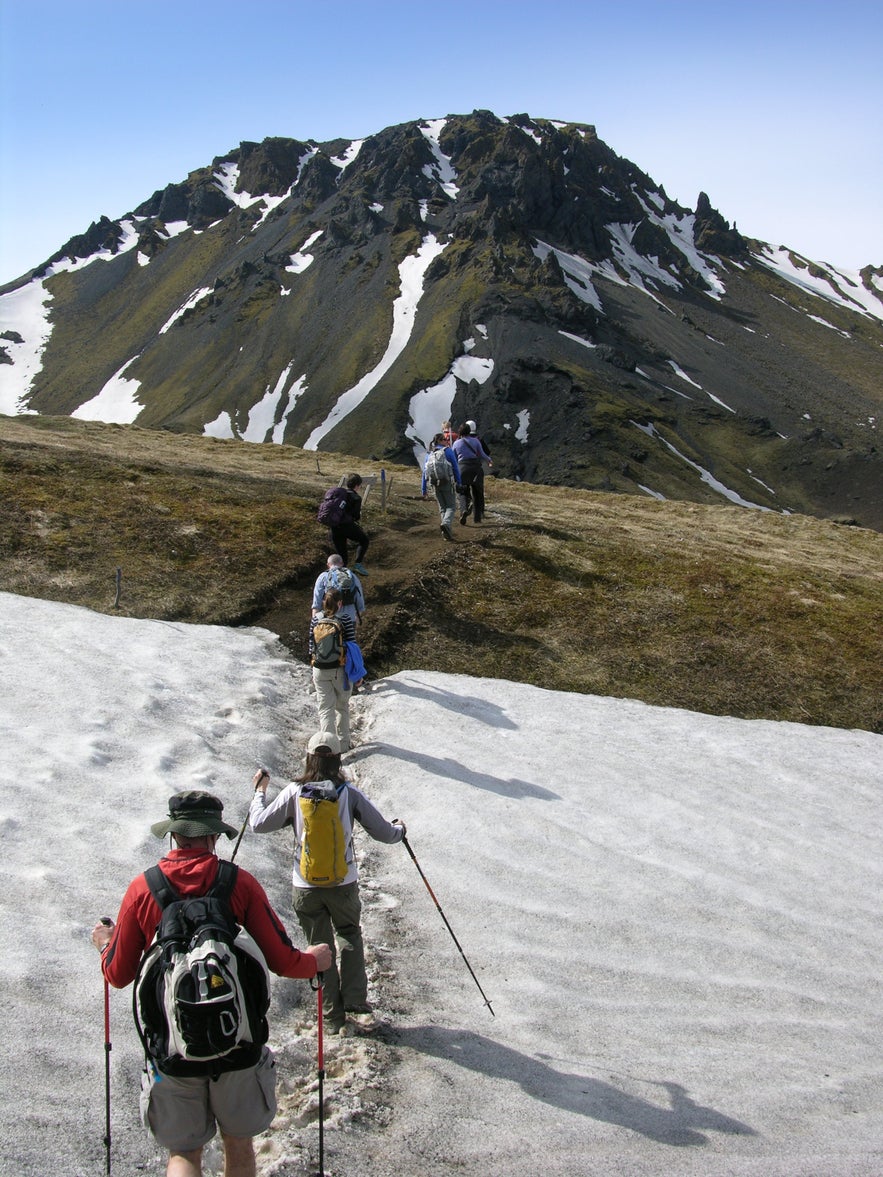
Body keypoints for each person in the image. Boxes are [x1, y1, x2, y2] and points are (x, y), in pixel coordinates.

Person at [90, 790, 332, 1177]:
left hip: (173, 1046)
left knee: (184, 1152)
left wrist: (105, 944)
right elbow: (284, 962)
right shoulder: (239, 884)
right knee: (238, 1142)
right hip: (236, 1039)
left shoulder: (143, 888)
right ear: (213, 836)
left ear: (175, 834)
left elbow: (118, 975)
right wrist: (316, 960)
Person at [250, 733, 406, 1036]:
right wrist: (400, 831)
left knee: (319, 948)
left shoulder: (295, 792)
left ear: (309, 758)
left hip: (305, 885)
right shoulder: (348, 793)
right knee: (349, 936)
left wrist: (259, 792)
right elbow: (383, 832)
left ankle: (332, 1016)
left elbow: (259, 823)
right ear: (337, 759)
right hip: (343, 882)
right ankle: (357, 1007)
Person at [310, 588, 356, 751]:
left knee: (325, 708)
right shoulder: (345, 619)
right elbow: (352, 647)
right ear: (340, 603)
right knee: (341, 707)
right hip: (340, 670)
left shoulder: (316, 619)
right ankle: (343, 745)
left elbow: (311, 646)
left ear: (324, 602)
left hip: (319, 670)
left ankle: (328, 745)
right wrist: (357, 672)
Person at [421, 432, 462, 541]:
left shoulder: (429, 454)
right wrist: (459, 482)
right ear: (440, 441)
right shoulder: (447, 451)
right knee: (451, 507)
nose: (447, 441)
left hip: (434, 484)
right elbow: (455, 468)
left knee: (442, 508)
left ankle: (446, 534)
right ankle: (446, 524)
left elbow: (424, 473)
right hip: (447, 483)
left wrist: (423, 489)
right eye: (444, 439)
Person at [311, 553, 365, 630]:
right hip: (349, 618)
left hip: (329, 620)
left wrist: (314, 623)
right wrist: (357, 617)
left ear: (328, 565)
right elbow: (359, 599)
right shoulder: (352, 576)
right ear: (342, 564)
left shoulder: (323, 576)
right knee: (349, 641)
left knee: (330, 641)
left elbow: (316, 602)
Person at [329, 473, 369, 575]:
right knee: (364, 540)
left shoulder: (339, 494)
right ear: (357, 485)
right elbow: (356, 516)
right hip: (347, 527)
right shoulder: (356, 498)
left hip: (334, 527)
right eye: (360, 485)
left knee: (343, 558)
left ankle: (339, 581)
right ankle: (358, 565)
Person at [453, 421, 490, 525]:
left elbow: (454, 458)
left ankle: (463, 510)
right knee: (477, 492)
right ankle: (477, 518)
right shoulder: (476, 441)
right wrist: (489, 460)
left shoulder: (456, 443)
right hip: (475, 468)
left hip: (462, 468)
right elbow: (482, 454)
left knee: (462, 491)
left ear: (460, 432)